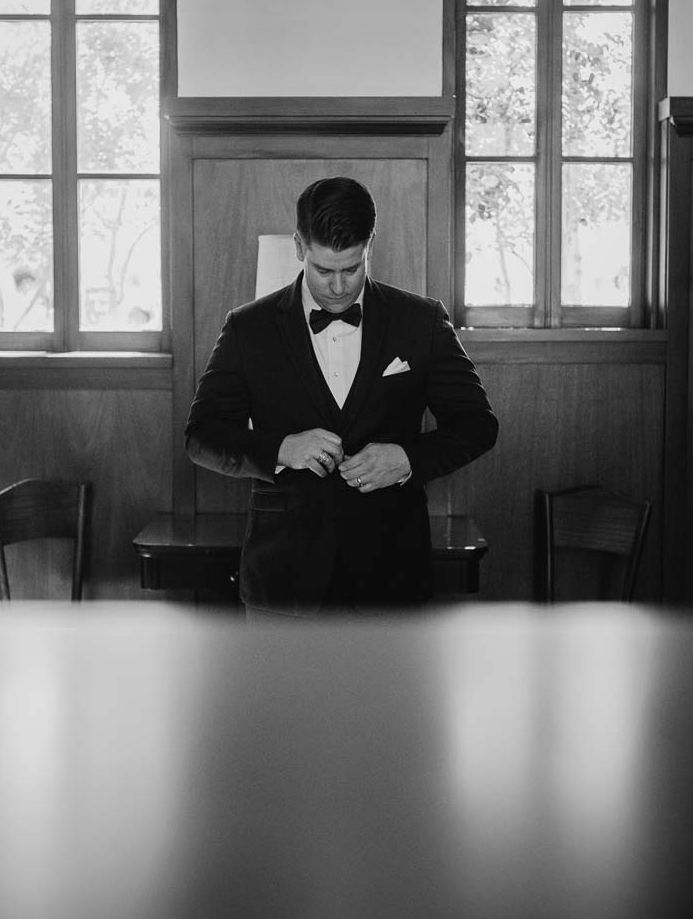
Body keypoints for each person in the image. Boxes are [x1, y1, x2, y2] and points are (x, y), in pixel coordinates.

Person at [185, 176, 498, 617]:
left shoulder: (421, 321)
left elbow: (478, 425)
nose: (337, 287)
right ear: (299, 247)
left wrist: (408, 459)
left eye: (351, 269)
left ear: (370, 245)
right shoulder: (247, 328)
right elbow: (201, 436)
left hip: (391, 578)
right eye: (324, 270)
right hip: (284, 581)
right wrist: (281, 449)